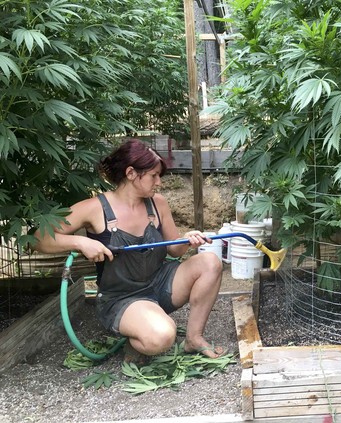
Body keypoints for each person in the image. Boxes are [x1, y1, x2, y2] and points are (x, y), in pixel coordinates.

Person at [33, 139, 225, 362]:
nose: (159, 182)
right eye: (154, 175)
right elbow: (38, 240)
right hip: (121, 298)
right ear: (131, 173)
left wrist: (187, 240)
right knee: (162, 337)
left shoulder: (158, 204)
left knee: (210, 262)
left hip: (160, 284)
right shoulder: (94, 208)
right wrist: (80, 243)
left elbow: (174, 250)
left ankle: (194, 338)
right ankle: (140, 335)